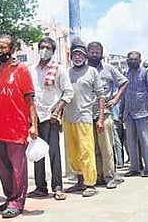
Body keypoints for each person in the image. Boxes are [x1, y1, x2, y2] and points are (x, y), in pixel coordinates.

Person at [0, 34, 38, 218]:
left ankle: (17, 202)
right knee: (2, 166)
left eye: (3, 47)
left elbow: (29, 100)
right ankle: (10, 197)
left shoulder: (21, 70)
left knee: (18, 167)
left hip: (17, 128)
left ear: (12, 50)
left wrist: (33, 125)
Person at [27, 37, 73, 200]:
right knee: (37, 151)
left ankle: (57, 186)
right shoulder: (31, 69)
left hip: (51, 117)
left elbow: (68, 92)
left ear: (53, 52)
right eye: (42, 47)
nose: (44, 50)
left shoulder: (58, 69)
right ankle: (40, 187)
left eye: (48, 48)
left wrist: (57, 110)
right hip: (34, 116)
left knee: (54, 152)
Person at [62, 40, 105, 197]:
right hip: (68, 117)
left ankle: (90, 184)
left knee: (86, 151)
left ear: (85, 56)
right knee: (73, 152)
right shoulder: (66, 72)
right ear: (71, 57)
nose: (77, 57)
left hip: (84, 116)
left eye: (80, 54)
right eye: (75, 54)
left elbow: (101, 96)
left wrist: (100, 118)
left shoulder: (92, 71)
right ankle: (79, 181)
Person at [87, 41, 128, 189]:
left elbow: (124, 82)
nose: (94, 54)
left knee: (106, 147)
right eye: (91, 51)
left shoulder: (109, 69)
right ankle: (98, 177)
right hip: (87, 114)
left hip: (105, 113)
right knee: (94, 148)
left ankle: (110, 177)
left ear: (102, 53)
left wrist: (116, 99)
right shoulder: (83, 70)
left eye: (97, 51)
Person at [121, 51, 148, 178]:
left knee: (146, 141)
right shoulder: (126, 74)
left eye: (135, 59)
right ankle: (134, 168)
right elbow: (123, 94)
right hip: (129, 113)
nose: (132, 61)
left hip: (144, 113)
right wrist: (122, 112)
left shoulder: (146, 73)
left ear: (140, 60)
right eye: (130, 59)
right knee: (131, 142)